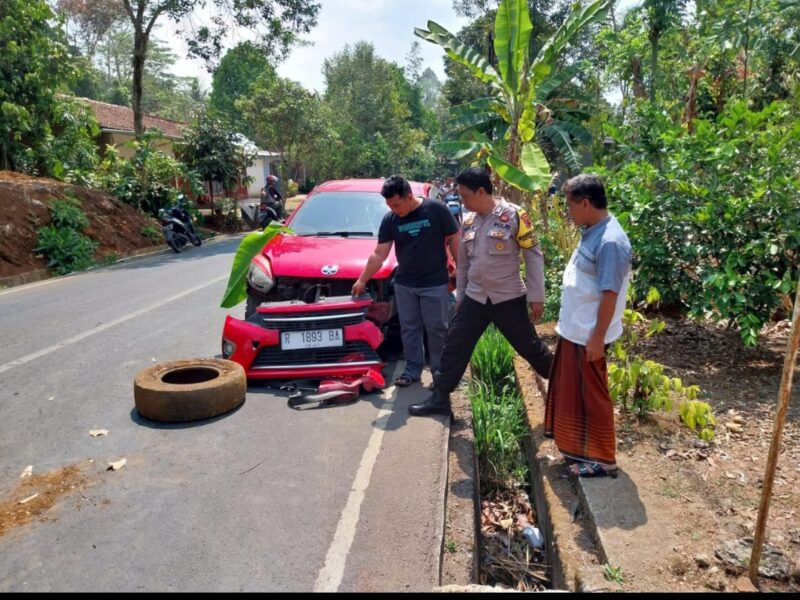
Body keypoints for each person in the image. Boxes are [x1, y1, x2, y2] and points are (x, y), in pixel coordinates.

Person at [409, 167, 553, 417]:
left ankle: (564, 386)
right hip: (475, 298)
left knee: (530, 347)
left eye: (465, 196)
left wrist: (536, 296)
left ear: (481, 191)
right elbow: (463, 263)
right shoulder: (468, 221)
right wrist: (461, 296)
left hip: (508, 298)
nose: (462, 201)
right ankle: (440, 398)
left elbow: (533, 256)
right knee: (454, 346)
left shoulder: (515, 216)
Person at [544, 173, 631, 478]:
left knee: (593, 395)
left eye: (569, 205)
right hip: (576, 330)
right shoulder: (593, 230)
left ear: (584, 203)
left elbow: (610, 293)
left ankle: (604, 458)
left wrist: (597, 338)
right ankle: (581, 449)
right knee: (576, 395)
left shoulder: (610, 242)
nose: (567, 212)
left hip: (588, 335)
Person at [352, 175, 460, 387]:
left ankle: (439, 371)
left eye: (396, 204)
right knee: (409, 328)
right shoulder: (390, 220)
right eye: (389, 205)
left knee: (436, 328)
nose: (393, 209)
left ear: (409, 197)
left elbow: (454, 238)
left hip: (435, 282)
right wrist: (362, 279)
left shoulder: (436, 210)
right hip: (405, 283)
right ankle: (412, 370)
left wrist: (461, 269)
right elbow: (379, 254)